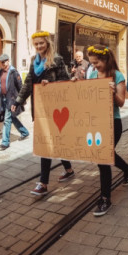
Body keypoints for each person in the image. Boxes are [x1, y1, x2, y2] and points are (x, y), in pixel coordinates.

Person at [13, 31, 75, 196]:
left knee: (46, 144)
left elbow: (67, 82)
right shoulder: (34, 61)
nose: (39, 46)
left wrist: (52, 83)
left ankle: (43, 183)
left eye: (41, 43)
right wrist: (18, 100)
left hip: (55, 108)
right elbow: (28, 83)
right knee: (52, 142)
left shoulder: (57, 59)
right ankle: (68, 170)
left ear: (47, 43)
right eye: (36, 44)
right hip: (40, 108)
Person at [85, 45, 128, 216]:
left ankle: (105, 198)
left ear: (105, 59)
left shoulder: (117, 75)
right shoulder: (92, 75)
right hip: (97, 122)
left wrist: (112, 93)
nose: (94, 66)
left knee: (103, 158)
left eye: (96, 62)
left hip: (113, 122)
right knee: (107, 154)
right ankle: (127, 169)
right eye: (92, 63)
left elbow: (121, 102)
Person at [0, 53, 29, 150]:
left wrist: (20, 100)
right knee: (12, 118)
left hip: (12, 99)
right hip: (3, 99)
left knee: (7, 120)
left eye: (4, 62)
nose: (3, 64)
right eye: (1, 62)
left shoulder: (14, 72)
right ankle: (24, 132)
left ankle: (5, 142)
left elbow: (20, 87)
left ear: (8, 61)